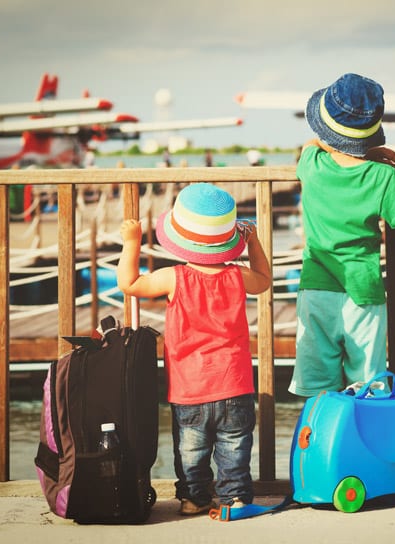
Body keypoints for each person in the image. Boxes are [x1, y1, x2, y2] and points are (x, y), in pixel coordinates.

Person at [117, 183, 272, 515]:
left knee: (191, 450)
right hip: (235, 385)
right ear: (228, 242)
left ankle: (193, 498)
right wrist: (254, 240)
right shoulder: (238, 276)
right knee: (234, 448)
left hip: (190, 389)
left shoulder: (174, 278)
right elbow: (264, 278)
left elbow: (131, 284)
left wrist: (132, 243)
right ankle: (235, 500)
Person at [289, 73, 395, 397]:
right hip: (363, 291)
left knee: (318, 386)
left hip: (316, 288)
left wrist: (364, 150)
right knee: (366, 384)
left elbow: (312, 143)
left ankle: (318, 438)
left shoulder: (311, 163)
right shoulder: (383, 177)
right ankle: (364, 442)